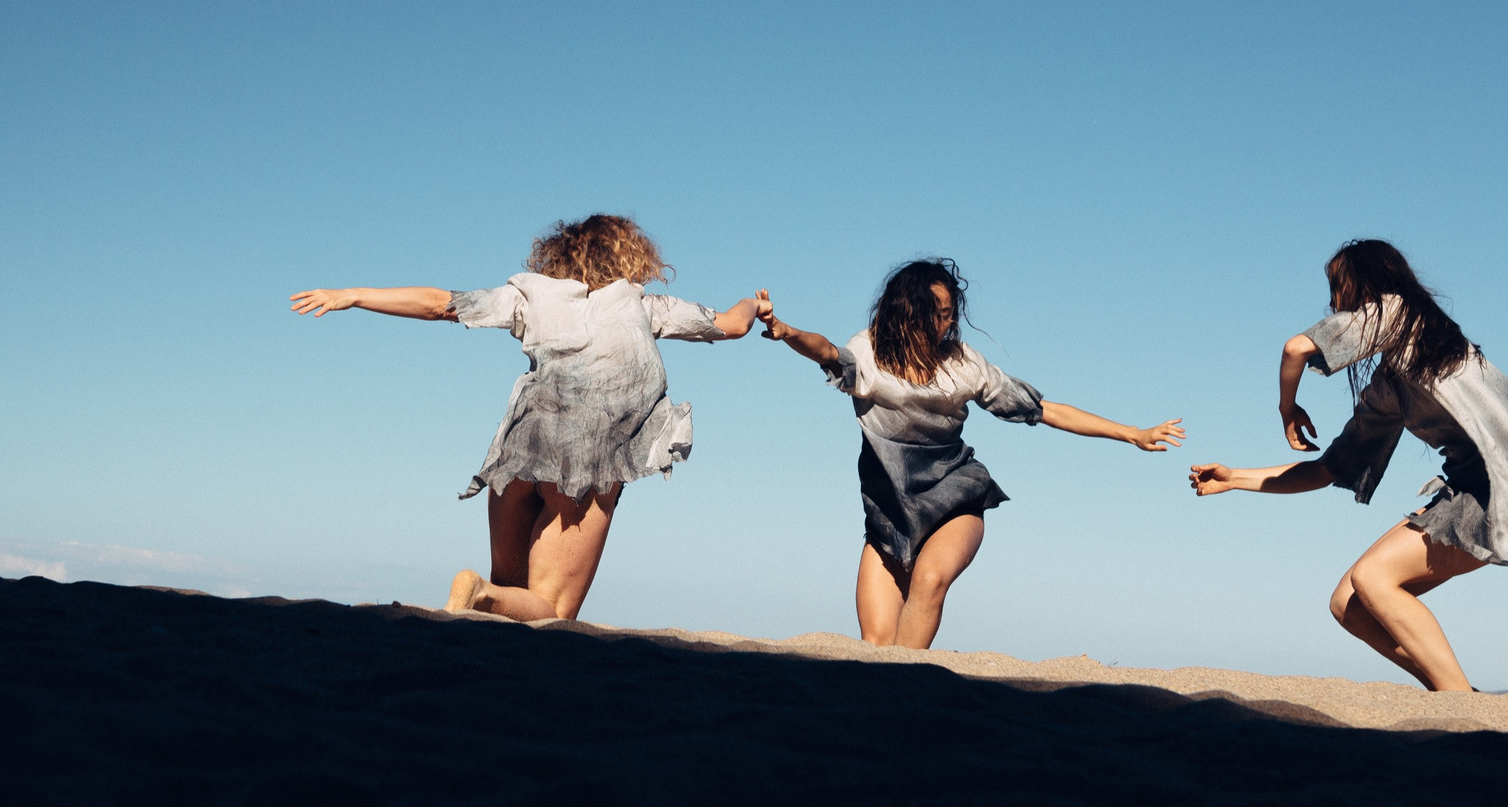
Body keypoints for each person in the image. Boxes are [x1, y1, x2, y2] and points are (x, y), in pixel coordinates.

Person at [1189, 239, 1508, 693]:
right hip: (1466, 492)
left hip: (1500, 491)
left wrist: (1287, 409)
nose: (1332, 303)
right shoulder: (1391, 387)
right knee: (1348, 602)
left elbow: (1295, 349)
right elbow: (1328, 468)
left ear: (1365, 285)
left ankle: (1461, 704)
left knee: (1373, 579)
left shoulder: (1403, 313)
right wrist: (1235, 480)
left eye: (1337, 287)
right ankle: (1454, 694)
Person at [290, 214, 762, 621]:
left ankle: (486, 607)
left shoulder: (530, 295)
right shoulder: (643, 304)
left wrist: (352, 294)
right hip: (585, 466)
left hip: (520, 455)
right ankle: (480, 592)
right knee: (550, 613)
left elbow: (440, 303)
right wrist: (755, 304)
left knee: (510, 601)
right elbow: (733, 324)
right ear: (629, 258)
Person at [758, 260, 1183, 648]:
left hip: (954, 500)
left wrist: (1131, 433)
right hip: (890, 515)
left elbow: (1043, 410)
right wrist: (788, 332)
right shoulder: (869, 355)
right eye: (936, 312)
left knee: (928, 580)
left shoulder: (963, 365)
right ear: (908, 311)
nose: (946, 323)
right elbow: (828, 352)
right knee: (875, 645)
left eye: (949, 314)